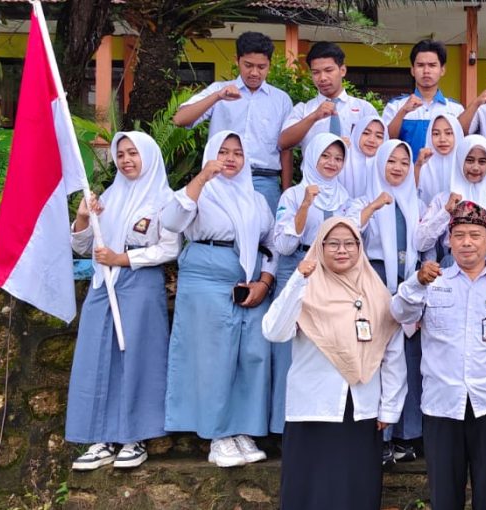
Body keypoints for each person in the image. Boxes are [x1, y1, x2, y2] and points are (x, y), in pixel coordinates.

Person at [390, 201, 486, 510]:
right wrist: (415, 283)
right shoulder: (432, 283)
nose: (466, 242)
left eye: (475, 235)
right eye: (459, 235)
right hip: (442, 405)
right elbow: (399, 314)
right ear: (449, 240)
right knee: (444, 498)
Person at [262, 217, 407, 509]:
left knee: (355, 490)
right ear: (320, 246)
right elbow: (274, 331)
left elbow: (392, 353)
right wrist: (297, 281)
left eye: (350, 243)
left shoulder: (376, 293)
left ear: (360, 248)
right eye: (333, 244)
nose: (342, 250)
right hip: (312, 408)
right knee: (309, 491)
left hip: (362, 409)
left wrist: (390, 407)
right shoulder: (305, 289)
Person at [160, 131, 279, 467]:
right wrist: (202, 178)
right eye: (223, 152)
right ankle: (217, 435)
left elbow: (272, 243)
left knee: (251, 354)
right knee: (213, 355)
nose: (230, 159)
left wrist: (265, 282)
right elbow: (171, 221)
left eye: (237, 153)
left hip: (247, 281)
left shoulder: (255, 199)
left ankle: (242, 429)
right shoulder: (199, 193)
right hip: (206, 277)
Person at [66, 132, 180, 471]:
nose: (126, 160)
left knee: (137, 356)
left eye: (133, 153)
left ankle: (134, 437)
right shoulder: (109, 197)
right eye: (121, 154)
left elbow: (170, 248)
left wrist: (123, 259)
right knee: (96, 357)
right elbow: (83, 247)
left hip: (139, 284)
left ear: (148, 156)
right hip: (103, 285)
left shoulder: (165, 201)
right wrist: (84, 217)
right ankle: (100, 437)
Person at [272, 133, 365, 437]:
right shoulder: (292, 195)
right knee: (289, 350)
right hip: (298, 270)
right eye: (325, 156)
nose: (332, 163)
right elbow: (284, 246)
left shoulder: (344, 198)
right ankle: (284, 426)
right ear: (312, 156)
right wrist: (305, 206)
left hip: (333, 279)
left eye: (338, 158)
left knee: (321, 349)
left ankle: (320, 421)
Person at [356, 139, 426, 463]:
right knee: (378, 356)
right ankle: (379, 436)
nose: (397, 168)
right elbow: (350, 233)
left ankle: (405, 436)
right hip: (376, 278)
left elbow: (426, 245)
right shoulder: (364, 200)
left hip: (409, 281)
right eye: (391, 161)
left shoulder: (417, 203)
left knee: (408, 358)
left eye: (404, 162)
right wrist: (373, 207)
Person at [173, 32, 293, 212]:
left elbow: (286, 149)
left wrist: (287, 193)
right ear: (237, 60)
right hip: (221, 178)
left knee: (266, 230)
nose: (254, 72)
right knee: (219, 228)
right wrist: (217, 97)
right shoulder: (218, 90)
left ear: (270, 64)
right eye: (248, 65)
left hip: (264, 182)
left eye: (261, 67)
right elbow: (180, 119)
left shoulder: (281, 100)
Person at [415, 135, 486, 276]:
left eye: (482, 162)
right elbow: (421, 242)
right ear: (459, 160)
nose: (475, 167)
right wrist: (445, 212)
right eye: (469, 160)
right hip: (451, 269)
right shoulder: (443, 199)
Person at [280, 42, 380, 153]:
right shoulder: (303, 110)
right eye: (316, 72)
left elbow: (379, 146)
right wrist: (314, 116)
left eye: (328, 70)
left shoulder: (364, 109)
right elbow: (283, 143)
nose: (322, 78)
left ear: (342, 70)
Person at [384, 39, 466, 156]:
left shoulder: (456, 109)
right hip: (408, 168)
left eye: (432, 65)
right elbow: (386, 141)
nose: (426, 71)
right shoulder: (396, 106)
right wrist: (403, 111)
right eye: (420, 65)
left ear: (442, 70)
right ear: (412, 70)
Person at [415, 112, 464, 204]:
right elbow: (410, 196)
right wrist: (418, 166)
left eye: (448, 133)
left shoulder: (465, 166)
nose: (442, 139)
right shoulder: (423, 167)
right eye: (436, 134)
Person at [339, 116, 389, 199]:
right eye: (366, 133)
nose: (372, 140)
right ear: (356, 133)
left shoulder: (388, 165)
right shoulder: (340, 161)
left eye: (379, 136)